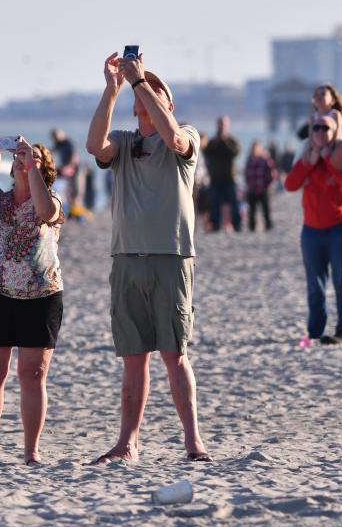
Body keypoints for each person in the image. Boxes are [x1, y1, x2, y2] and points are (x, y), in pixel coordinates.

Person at [86, 51, 210, 463]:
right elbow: (94, 146)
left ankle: (193, 442)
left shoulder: (185, 135)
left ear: (167, 102)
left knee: (175, 355)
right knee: (133, 360)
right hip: (126, 257)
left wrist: (141, 83)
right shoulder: (125, 142)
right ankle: (128, 443)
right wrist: (113, 89)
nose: (145, 87)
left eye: (155, 87)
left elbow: (173, 136)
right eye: (143, 84)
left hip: (171, 256)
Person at [0, 138, 64, 466]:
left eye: (32, 157)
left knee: (32, 374)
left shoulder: (53, 199)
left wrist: (32, 166)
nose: (22, 160)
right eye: (20, 156)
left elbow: (45, 212)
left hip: (41, 296)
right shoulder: (0, 199)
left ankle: (31, 451)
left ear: (43, 168)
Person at [284, 114, 342, 344]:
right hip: (312, 230)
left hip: (340, 228)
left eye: (325, 128)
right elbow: (290, 185)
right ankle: (315, 330)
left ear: (334, 131)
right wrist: (308, 162)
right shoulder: (306, 156)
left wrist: (328, 160)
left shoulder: (340, 155)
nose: (319, 132)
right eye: (315, 128)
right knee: (315, 284)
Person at [203, 115, 241, 232]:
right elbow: (207, 152)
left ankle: (237, 225)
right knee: (214, 204)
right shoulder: (213, 141)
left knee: (234, 203)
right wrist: (217, 141)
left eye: (224, 124)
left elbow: (235, 152)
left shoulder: (231, 140)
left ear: (227, 125)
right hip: (215, 179)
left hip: (230, 179)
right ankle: (215, 226)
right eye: (220, 124)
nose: (222, 126)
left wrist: (224, 141)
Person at [243, 141, 276, 231]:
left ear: (260, 149)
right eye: (253, 148)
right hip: (252, 189)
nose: (254, 150)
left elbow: (272, 174)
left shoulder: (265, 160)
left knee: (266, 210)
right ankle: (252, 228)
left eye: (256, 148)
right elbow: (246, 173)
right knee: (252, 211)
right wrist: (248, 184)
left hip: (263, 189)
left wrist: (268, 184)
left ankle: (268, 227)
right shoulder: (249, 160)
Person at [51, 129, 83, 213]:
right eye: (54, 138)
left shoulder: (69, 143)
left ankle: (76, 210)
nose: (55, 140)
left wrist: (69, 167)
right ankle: (69, 209)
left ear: (62, 135)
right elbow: (51, 151)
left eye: (56, 138)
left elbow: (74, 157)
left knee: (76, 190)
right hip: (65, 167)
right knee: (67, 190)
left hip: (75, 168)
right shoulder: (59, 144)